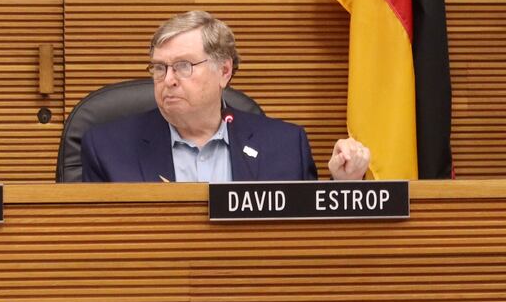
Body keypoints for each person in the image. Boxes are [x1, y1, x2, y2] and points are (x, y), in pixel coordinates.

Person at [82, 11, 371, 182]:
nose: (168, 80)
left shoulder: (283, 146)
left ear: (224, 71)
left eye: (183, 66)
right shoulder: (108, 149)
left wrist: (345, 183)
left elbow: (312, 236)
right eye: (160, 68)